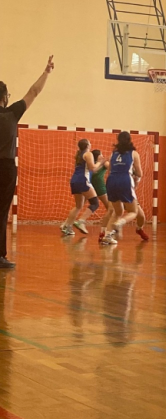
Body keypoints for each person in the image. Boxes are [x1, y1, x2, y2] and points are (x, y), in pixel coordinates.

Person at [0, 55, 54, 269]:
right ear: (4, 97)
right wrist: (46, 72)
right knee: (2, 212)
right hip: (6, 168)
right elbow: (34, 91)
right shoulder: (12, 113)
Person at [103, 132, 144, 244]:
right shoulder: (134, 153)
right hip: (124, 180)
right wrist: (134, 172)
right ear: (130, 140)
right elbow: (139, 173)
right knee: (134, 211)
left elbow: (110, 170)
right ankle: (120, 223)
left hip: (111, 181)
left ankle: (107, 236)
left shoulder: (113, 154)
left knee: (117, 211)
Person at [61, 138, 101, 236]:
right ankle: (81, 221)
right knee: (95, 203)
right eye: (89, 143)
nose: (91, 144)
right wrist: (100, 162)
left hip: (74, 180)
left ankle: (67, 227)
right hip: (83, 180)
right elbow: (93, 168)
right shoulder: (88, 153)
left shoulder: (79, 155)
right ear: (87, 145)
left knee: (78, 206)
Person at [91, 149, 113, 243]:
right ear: (98, 156)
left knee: (96, 205)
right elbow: (111, 168)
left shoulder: (94, 164)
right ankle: (107, 229)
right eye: (101, 154)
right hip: (100, 187)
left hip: (93, 187)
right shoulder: (100, 163)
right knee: (110, 208)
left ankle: (107, 228)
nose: (103, 155)